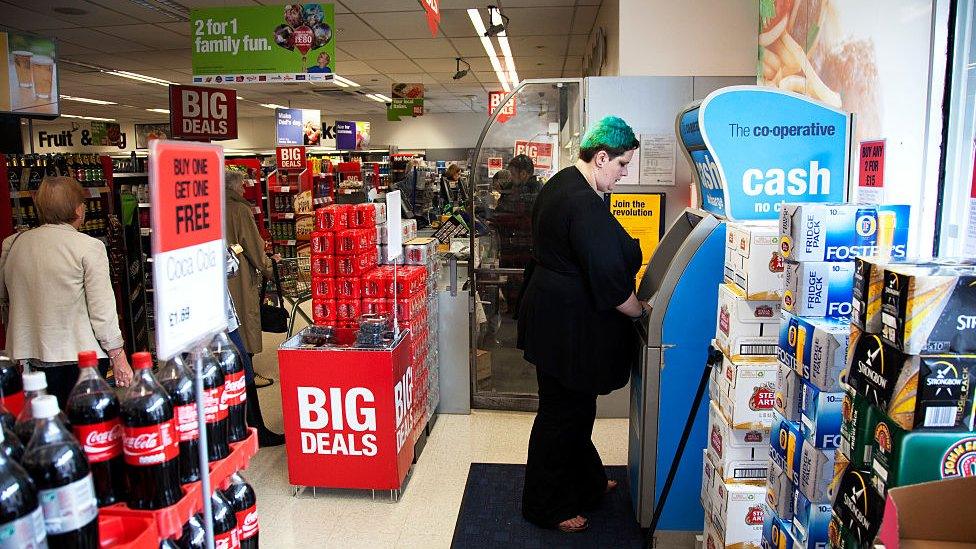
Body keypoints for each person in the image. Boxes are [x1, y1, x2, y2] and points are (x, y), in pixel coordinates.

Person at [516, 116, 646, 533]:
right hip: (564, 330)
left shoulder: (564, 182)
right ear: (602, 156)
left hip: (553, 319)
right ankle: (544, 506)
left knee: (576, 409)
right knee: (561, 415)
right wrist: (640, 310)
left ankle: (586, 483)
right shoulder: (583, 203)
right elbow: (609, 279)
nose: (624, 174)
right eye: (622, 165)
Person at [0, 177, 133, 407]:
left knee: (43, 423)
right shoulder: (88, 247)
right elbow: (102, 309)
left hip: (29, 354)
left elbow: (5, 297)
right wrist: (118, 355)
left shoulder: (13, 243)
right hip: (80, 357)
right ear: (78, 209)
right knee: (83, 421)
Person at [225, 170, 284, 446]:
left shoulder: (209, 207)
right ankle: (254, 426)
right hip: (237, 287)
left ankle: (234, 424)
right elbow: (256, 252)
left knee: (228, 357)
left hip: (219, 293)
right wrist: (271, 266)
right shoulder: (239, 210)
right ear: (236, 188)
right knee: (242, 351)